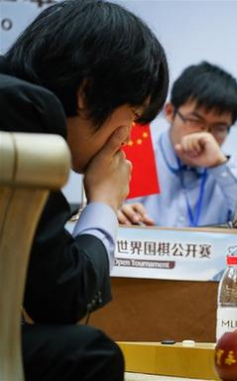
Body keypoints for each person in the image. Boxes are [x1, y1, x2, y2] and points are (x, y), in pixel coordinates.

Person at [0, 1, 168, 380]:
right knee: (89, 354)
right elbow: (60, 297)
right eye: (134, 117)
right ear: (86, 92)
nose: (128, 138)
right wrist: (105, 203)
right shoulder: (24, 107)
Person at [118, 61, 237, 227]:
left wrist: (219, 166)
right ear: (170, 112)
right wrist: (116, 213)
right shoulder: (137, 154)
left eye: (219, 128)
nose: (205, 136)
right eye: (194, 121)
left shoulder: (227, 172)